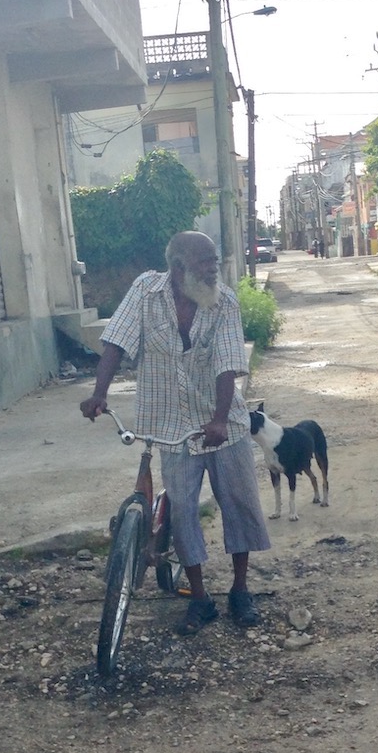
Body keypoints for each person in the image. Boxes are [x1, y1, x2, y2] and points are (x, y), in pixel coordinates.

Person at [80, 231, 270, 635]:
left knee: (239, 503)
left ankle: (240, 590)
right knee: (182, 512)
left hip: (223, 423)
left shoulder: (224, 302)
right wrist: (99, 393)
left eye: (214, 260)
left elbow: (227, 364)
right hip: (169, 424)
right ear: (177, 267)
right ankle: (199, 599)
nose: (212, 268)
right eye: (204, 261)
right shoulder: (145, 292)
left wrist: (219, 418)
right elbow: (116, 343)